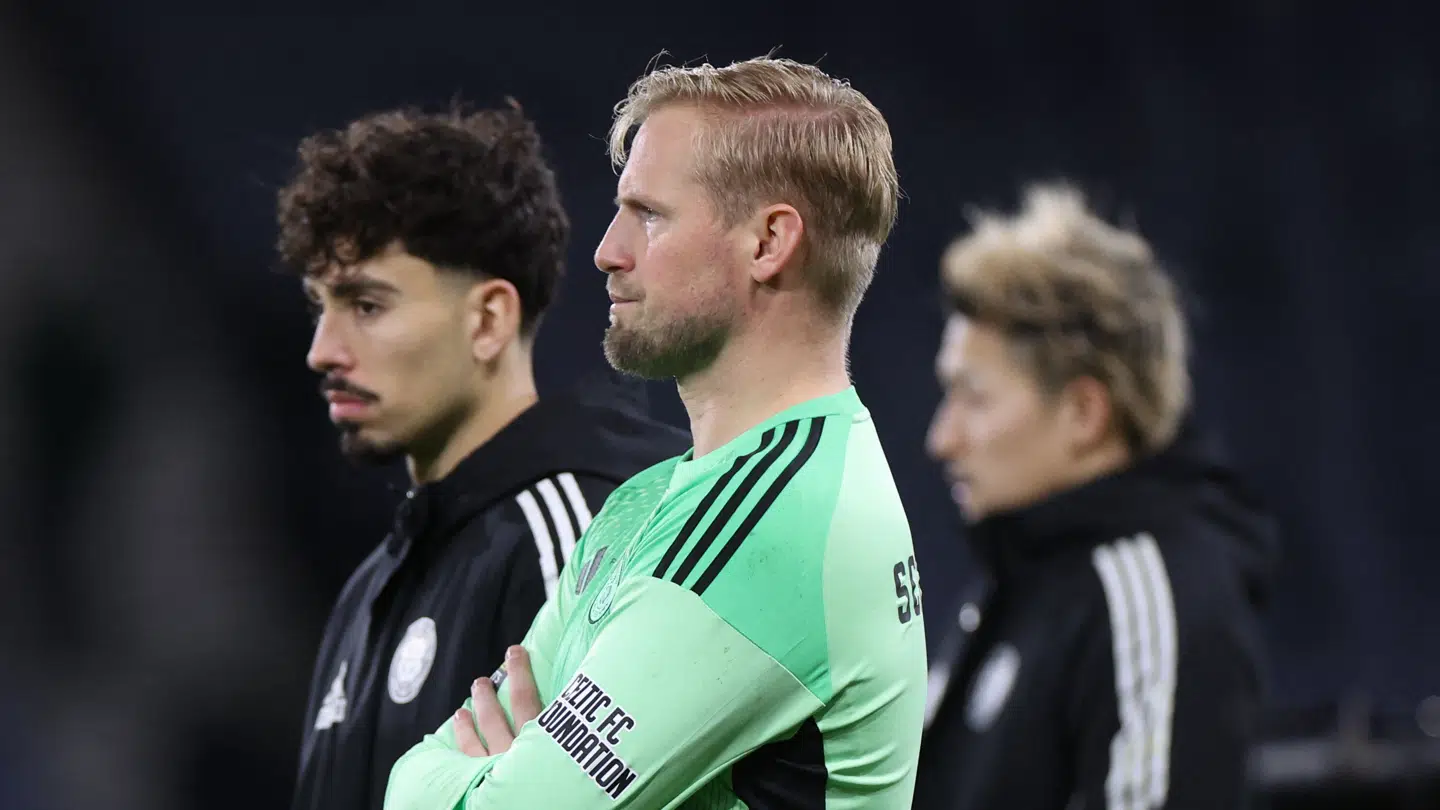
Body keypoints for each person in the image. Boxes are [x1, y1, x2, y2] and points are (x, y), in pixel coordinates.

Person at [383, 56, 928, 810]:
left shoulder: (770, 529)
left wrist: (482, 778)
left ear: (769, 242)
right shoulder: (656, 498)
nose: (608, 250)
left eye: (649, 214)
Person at [278, 101, 690, 810]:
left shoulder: (583, 537)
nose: (322, 351)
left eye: (366, 305)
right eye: (321, 306)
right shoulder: (371, 590)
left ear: (489, 318)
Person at [912, 184, 1279, 810]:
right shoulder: (1020, 583)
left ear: (1084, 412)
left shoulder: (1156, 599)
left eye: (974, 397)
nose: (941, 439)